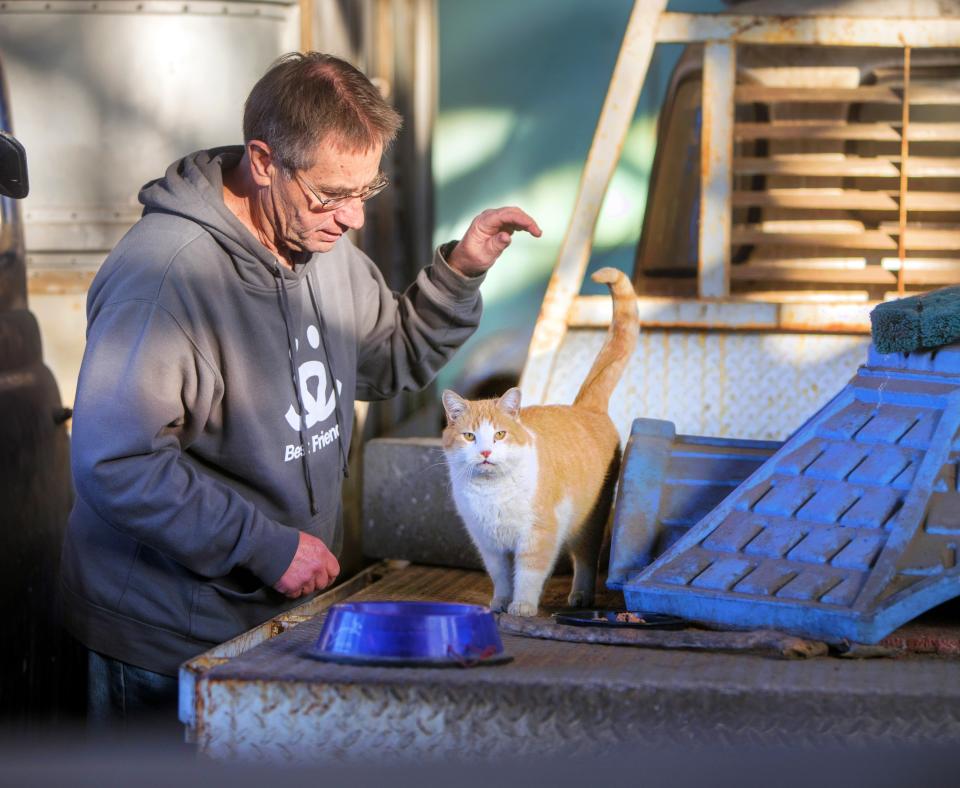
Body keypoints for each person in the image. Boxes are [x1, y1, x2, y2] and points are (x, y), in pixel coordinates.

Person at [59, 51, 541, 729]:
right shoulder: (165, 279)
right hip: (165, 643)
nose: (353, 220)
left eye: (365, 192)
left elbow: (388, 358)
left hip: (280, 618)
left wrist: (460, 272)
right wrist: (265, 546)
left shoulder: (321, 246)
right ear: (263, 162)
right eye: (332, 195)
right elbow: (118, 462)